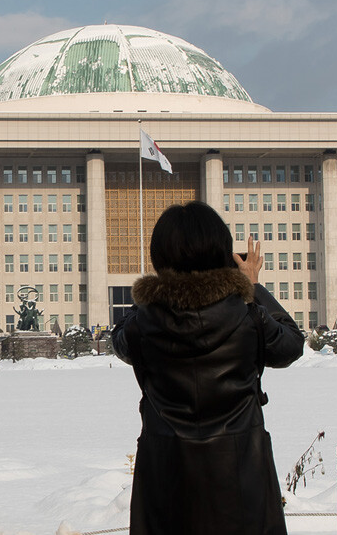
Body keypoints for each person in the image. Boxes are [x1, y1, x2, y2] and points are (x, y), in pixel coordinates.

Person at [112, 201, 304, 535]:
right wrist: (252, 287)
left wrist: (154, 294)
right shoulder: (249, 318)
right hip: (241, 473)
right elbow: (291, 345)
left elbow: (121, 339)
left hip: (165, 476)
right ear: (223, 253)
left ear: (159, 259)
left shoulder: (142, 325)